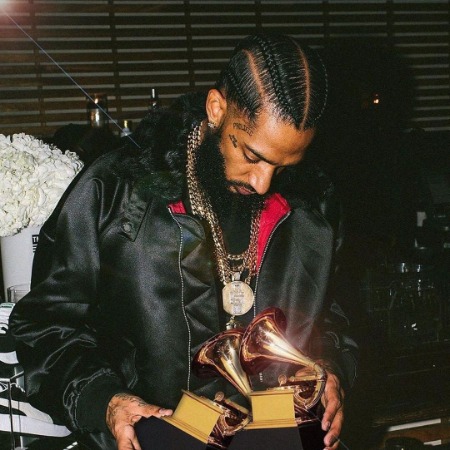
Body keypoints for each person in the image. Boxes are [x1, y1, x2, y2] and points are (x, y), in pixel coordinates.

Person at [10, 33, 357, 450]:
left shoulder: (314, 208)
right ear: (217, 109)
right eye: (251, 155)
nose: (263, 183)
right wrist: (105, 400)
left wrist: (331, 369)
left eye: (284, 166)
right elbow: (45, 327)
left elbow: (334, 320)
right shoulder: (116, 192)